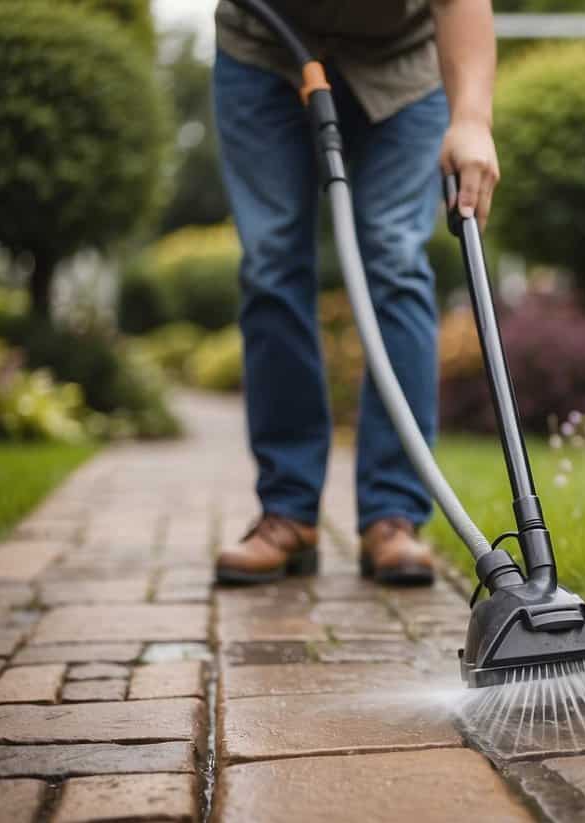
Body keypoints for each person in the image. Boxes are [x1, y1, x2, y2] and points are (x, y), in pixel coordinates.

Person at [211, 0, 499, 586]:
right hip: (264, 48)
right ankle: (288, 512)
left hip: (400, 63)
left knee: (395, 259)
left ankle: (392, 516)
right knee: (272, 263)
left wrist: (471, 118)